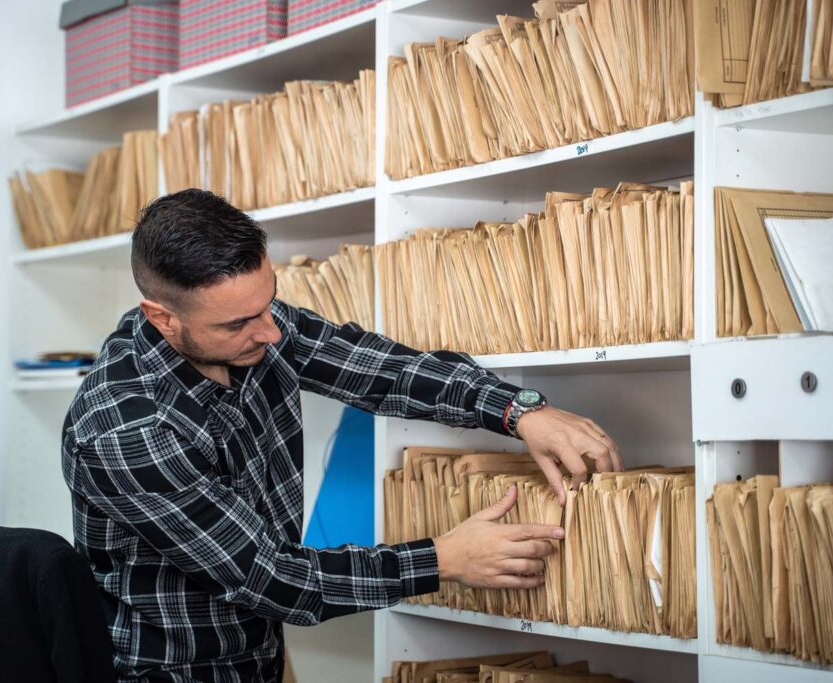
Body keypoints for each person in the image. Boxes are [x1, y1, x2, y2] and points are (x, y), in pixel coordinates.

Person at [61, 189, 624, 682]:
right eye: (237, 324)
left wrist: (519, 410)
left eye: (268, 302)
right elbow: (271, 575)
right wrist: (442, 559)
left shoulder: (257, 327)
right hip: (173, 670)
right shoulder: (127, 430)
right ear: (162, 318)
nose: (272, 331)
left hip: (260, 654)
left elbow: (379, 369)